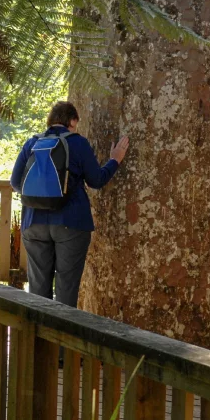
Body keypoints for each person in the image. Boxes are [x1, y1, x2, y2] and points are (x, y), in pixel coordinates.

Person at [11, 101, 129, 308]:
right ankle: (61, 339)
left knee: (38, 290)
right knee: (66, 289)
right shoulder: (77, 143)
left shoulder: (32, 143)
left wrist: (41, 197)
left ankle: (38, 338)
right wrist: (114, 160)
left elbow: (15, 182)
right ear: (72, 121)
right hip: (71, 223)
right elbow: (96, 180)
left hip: (33, 222)